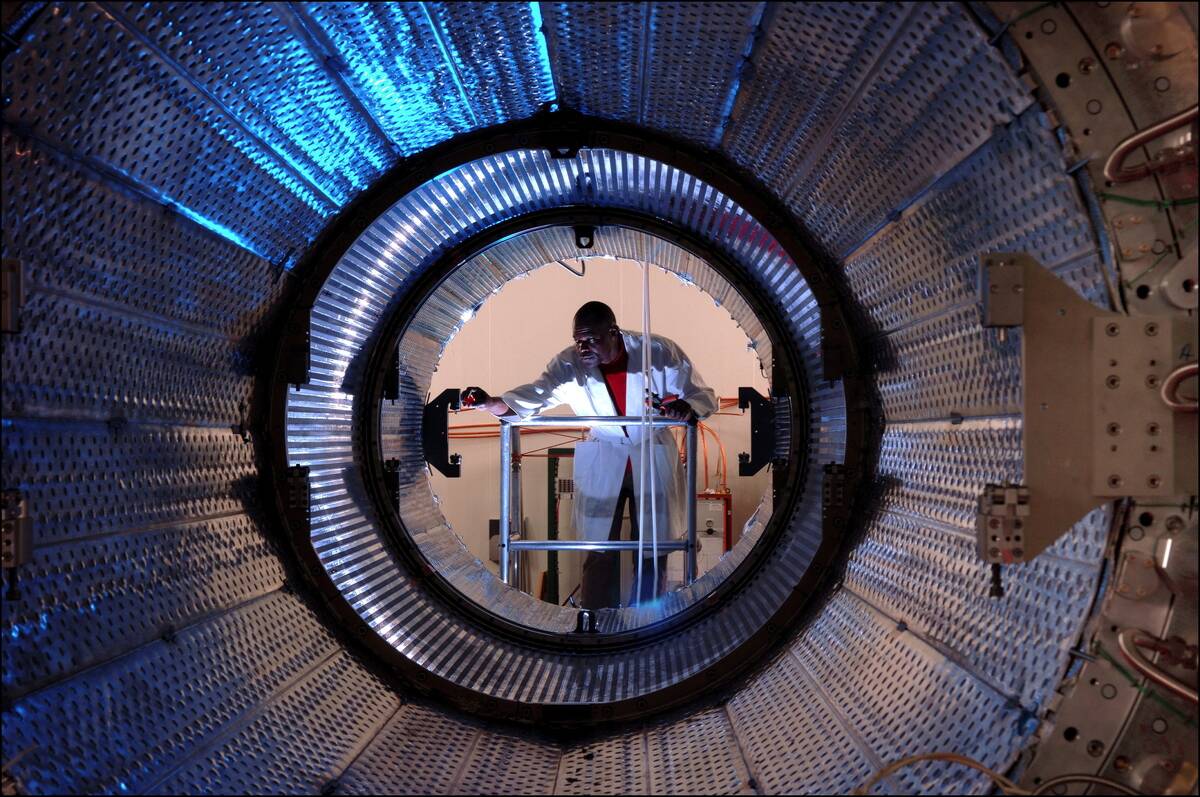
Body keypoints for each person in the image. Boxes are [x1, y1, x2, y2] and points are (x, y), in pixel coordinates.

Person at [462, 301, 717, 609]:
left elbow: (701, 396)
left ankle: (648, 626)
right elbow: (532, 398)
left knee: (652, 548)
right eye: (578, 341)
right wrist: (489, 402)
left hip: (652, 450)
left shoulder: (660, 352)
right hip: (604, 454)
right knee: (597, 549)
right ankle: (595, 623)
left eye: (591, 340)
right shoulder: (568, 364)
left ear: (613, 332)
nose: (583, 348)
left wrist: (685, 409)